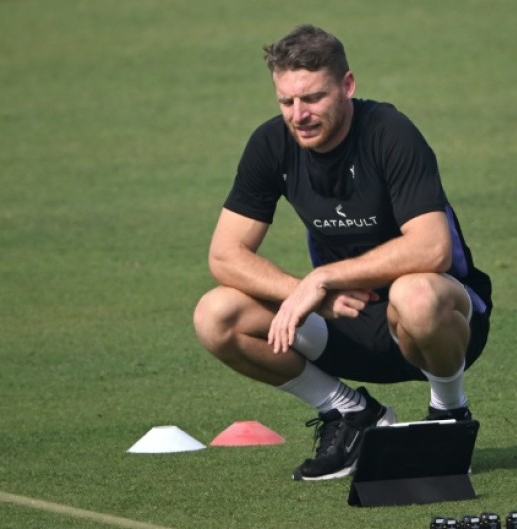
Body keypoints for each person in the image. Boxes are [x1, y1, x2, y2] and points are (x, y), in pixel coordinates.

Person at [192, 24, 493, 481]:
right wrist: (307, 291)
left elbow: (431, 247)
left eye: (312, 98)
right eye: (287, 101)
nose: (299, 114)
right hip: (346, 320)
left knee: (414, 294)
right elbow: (225, 255)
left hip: (436, 324)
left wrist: (325, 278)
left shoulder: (389, 132)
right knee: (216, 314)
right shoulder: (272, 144)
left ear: (347, 86)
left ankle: (449, 414)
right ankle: (350, 414)